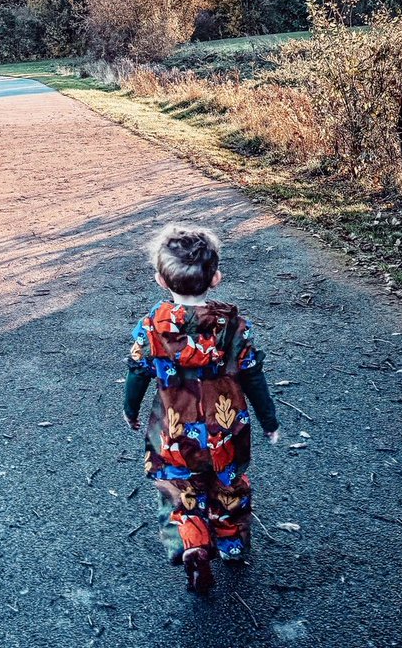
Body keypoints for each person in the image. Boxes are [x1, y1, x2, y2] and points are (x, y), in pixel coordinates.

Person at [123, 224, 279, 596]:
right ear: (216, 278)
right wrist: (269, 420)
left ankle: (193, 545)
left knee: (182, 489)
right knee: (229, 486)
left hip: (174, 429)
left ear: (161, 280)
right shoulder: (233, 326)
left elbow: (137, 373)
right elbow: (253, 375)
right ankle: (232, 545)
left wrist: (130, 410)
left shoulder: (150, 329)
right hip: (224, 427)